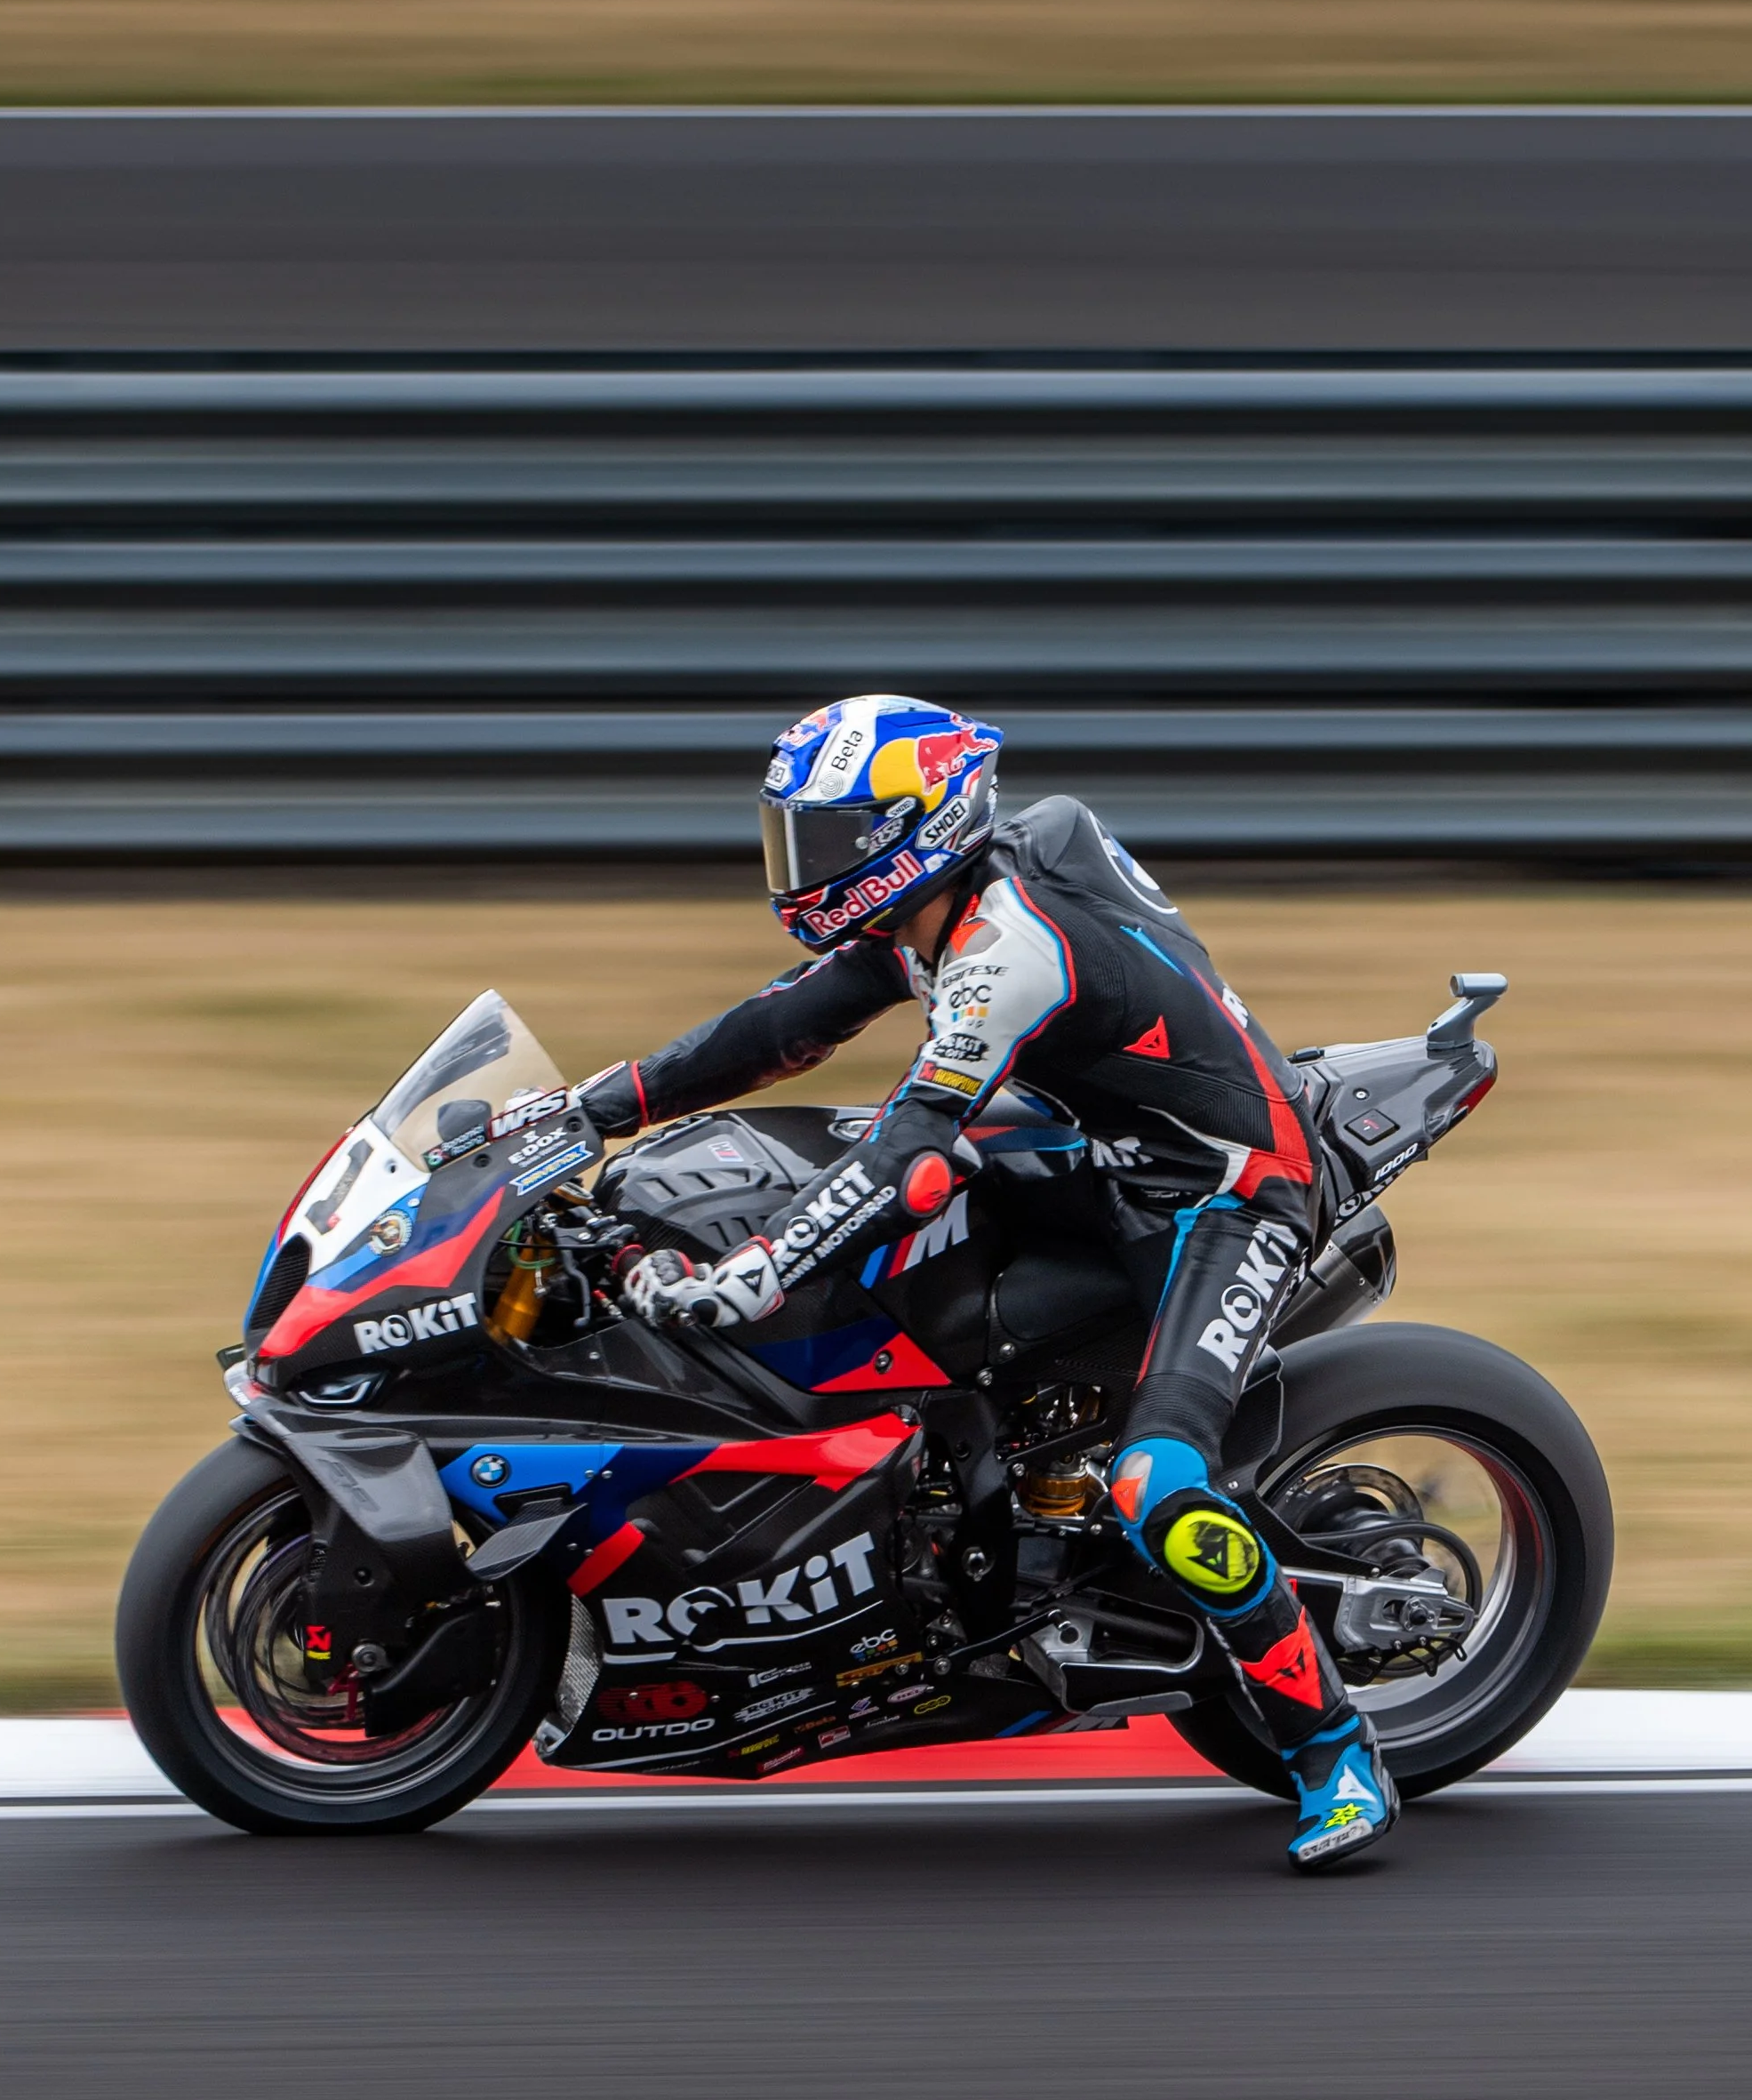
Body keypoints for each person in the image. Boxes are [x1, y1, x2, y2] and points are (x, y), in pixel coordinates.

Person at [570, 693, 1397, 1876]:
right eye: (789, 836)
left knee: (1155, 1485)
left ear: (911, 832)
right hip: (1092, 1150)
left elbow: (906, 1150)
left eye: (825, 839)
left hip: (1223, 1193)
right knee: (874, 1260)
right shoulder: (939, 903)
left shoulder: (1007, 947)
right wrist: (574, 1118)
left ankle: (1331, 1748)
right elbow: (773, 1034)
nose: (798, 867)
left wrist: (744, 1280)